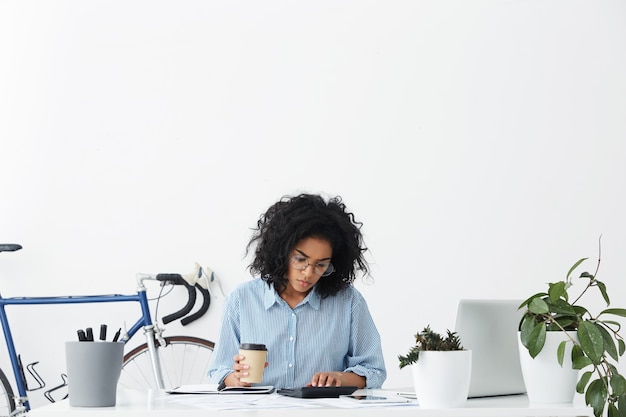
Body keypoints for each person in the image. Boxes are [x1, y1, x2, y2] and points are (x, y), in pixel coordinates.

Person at [208, 193, 387, 389]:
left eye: (321, 265)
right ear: (281, 251)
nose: (309, 273)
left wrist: (340, 379)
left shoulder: (349, 302)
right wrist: (235, 379)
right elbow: (219, 370)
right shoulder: (241, 300)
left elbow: (374, 370)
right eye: (300, 259)